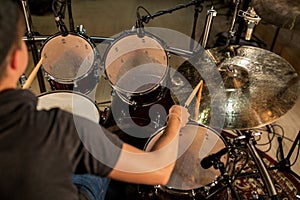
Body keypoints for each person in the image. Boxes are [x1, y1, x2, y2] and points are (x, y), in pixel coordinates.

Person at [0, 1, 190, 200]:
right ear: (17, 59)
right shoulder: (61, 130)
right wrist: (175, 120)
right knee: (92, 170)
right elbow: (158, 170)